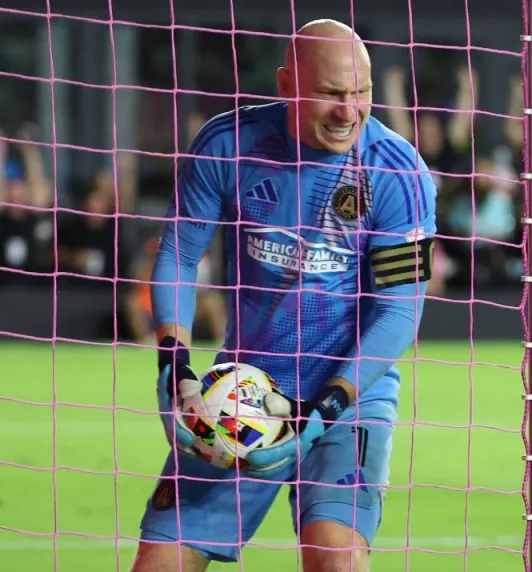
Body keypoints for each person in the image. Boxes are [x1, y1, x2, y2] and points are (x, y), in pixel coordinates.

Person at [132, 19, 437, 572]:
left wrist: (324, 412)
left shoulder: (397, 172)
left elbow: (398, 312)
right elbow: (178, 256)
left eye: (360, 93)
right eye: (330, 94)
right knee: (159, 564)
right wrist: (174, 369)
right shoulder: (229, 144)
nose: (349, 111)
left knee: (335, 559)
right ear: (285, 85)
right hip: (239, 392)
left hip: (349, 393)